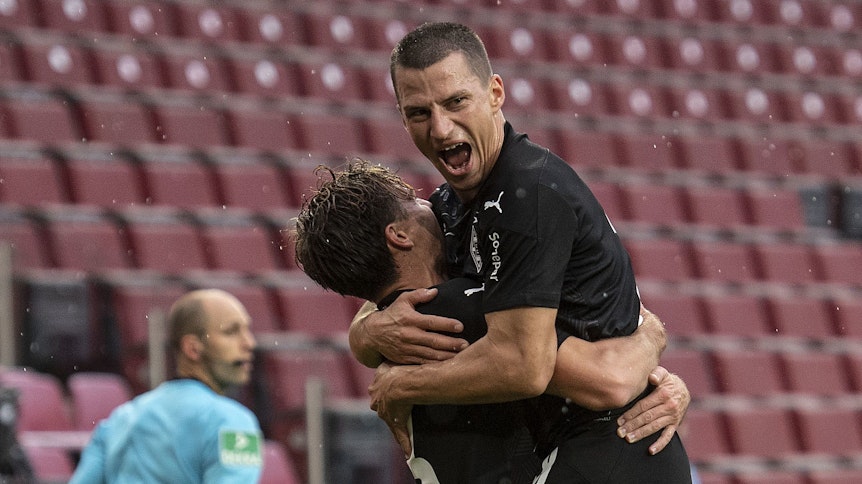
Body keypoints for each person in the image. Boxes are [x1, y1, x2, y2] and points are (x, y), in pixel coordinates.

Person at [348, 22, 692, 483]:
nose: (440, 127)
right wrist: (367, 332)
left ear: (495, 93)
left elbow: (524, 366)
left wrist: (401, 384)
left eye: (456, 101)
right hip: (580, 448)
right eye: (417, 113)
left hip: (616, 449)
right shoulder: (452, 208)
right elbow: (392, 295)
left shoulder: (527, 196)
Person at [294, 161, 684, 483]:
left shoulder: (396, 328)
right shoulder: (461, 314)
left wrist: (364, 334)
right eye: (412, 201)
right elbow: (610, 381)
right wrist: (651, 333)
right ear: (399, 236)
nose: (430, 204)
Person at [69, 289, 263, 484]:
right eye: (231, 332)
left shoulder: (120, 420)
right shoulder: (232, 422)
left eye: (247, 330)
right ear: (193, 348)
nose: (249, 343)